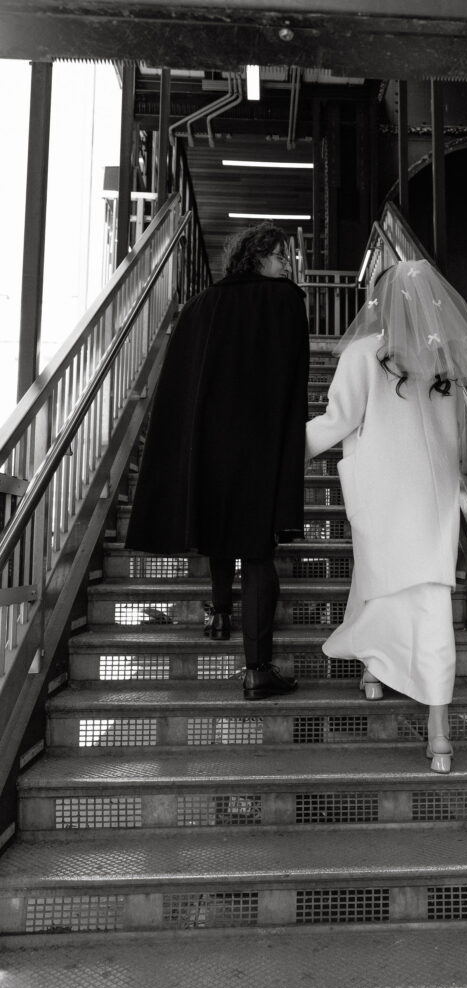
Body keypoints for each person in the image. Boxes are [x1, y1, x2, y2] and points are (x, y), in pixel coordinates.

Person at [305, 259, 467, 772]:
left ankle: (374, 673)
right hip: (432, 497)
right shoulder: (441, 360)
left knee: (376, 577)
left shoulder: (365, 353)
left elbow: (336, 421)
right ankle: (438, 734)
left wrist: (279, 451)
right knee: (428, 598)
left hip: (383, 489)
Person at [126, 222, 310, 700]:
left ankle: (222, 612)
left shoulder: (201, 306)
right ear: (258, 257)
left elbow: (179, 384)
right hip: (259, 445)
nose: (286, 264)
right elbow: (293, 382)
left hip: (208, 443)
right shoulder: (285, 301)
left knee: (217, 527)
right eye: (279, 255)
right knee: (256, 550)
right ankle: (257, 669)